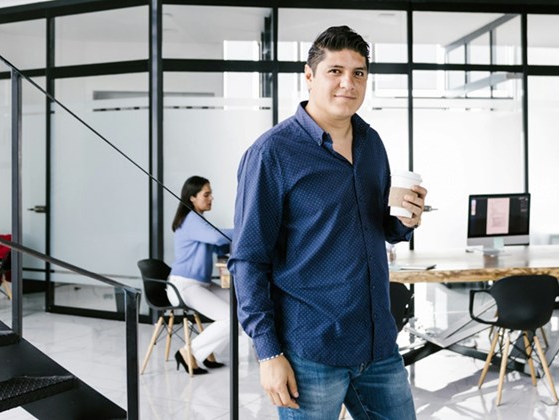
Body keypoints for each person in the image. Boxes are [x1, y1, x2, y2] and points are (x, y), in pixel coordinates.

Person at [229, 26, 427, 419]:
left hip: (378, 344)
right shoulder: (272, 153)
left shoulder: (372, 142)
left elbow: (379, 226)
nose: (348, 84)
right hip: (311, 349)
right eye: (335, 71)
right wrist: (268, 352)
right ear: (309, 75)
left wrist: (406, 221)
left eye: (358, 73)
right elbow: (249, 259)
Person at [169, 175, 234, 375]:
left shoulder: (198, 221)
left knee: (239, 308)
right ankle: (188, 352)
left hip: (200, 285)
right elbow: (216, 236)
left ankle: (206, 353)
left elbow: (218, 244)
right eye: (206, 194)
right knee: (228, 318)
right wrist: (247, 230)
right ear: (192, 198)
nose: (211, 198)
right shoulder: (191, 219)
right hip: (185, 286)